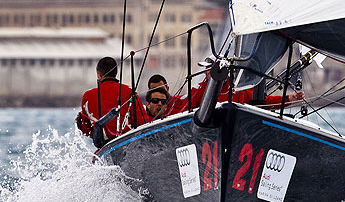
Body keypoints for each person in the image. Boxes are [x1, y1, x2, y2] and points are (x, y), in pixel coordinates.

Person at [145, 72, 304, 117]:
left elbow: (263, 102)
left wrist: (289, 99)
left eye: (210, 70)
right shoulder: (199, 91)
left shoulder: (236, 92)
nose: (207, 74)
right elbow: (183, 106)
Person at [77, 57, 148, 144]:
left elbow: (86, 129)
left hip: (104, 147)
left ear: (99, 74)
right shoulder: (128, 91)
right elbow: (143, 122)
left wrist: (79, 123)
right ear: (116, 73)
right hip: (128, 142)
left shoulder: (88, 96)